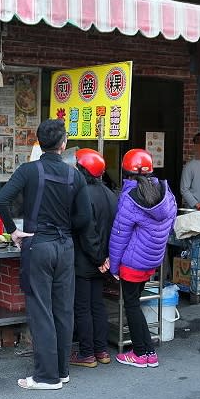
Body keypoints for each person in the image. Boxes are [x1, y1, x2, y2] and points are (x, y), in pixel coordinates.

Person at [0, 119, 92, 390]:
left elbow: (1, 200)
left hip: (38, 245)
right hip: (65, 247)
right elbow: (85, 217)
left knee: (41, 310)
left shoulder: (28, 170)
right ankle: (61, 371)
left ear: (38, 143)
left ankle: (46, 377)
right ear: (63, 144)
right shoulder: (75, 175)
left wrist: (14, 230)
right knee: (63, 309)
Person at [109, 148, 177, 368]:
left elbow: (120, 235)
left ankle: (142, 353)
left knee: (131, 306)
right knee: (135, 303)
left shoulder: (129, 198)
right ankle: (146, 351)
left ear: (126, 173)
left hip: (132, 263)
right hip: (152, 260)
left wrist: (114, 266)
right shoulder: (167, 194)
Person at [69, 148, 117, 368]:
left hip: (87, 260)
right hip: (103, 260)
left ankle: (87, 353)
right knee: (97, 305)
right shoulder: (108, 193)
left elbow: (87, 232)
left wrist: (98, 258)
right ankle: (102, 350)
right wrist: (106, 258)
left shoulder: (82, 194)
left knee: (82, 307)